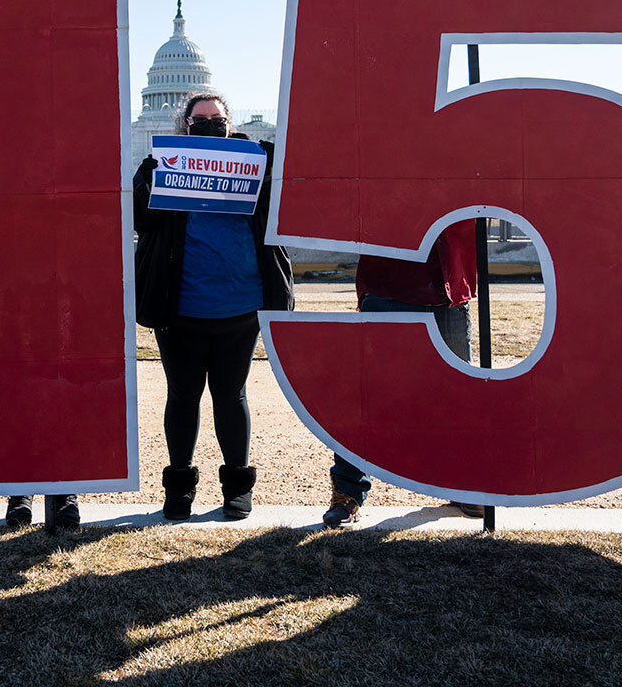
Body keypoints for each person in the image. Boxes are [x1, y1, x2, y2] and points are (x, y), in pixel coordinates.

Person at [134, 92, 293, 521]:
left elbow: (286, 203)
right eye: (198, 120)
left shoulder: (256, 163)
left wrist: (266, 159)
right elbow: (140, 220)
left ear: (230, 124)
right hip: (179, 307)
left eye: (216, 120)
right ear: (183, 125)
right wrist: (150, 174)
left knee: (230, 396)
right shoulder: (162, 167)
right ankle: (180, 488)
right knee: (182, 398)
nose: (208, 125)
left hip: (240, 306)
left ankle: (237, 487)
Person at [322, 229, 479, 527]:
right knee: (367, 397)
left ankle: (466, 482)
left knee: (461, 397)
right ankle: (347, 491)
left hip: (447, 284)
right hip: (388, 282)